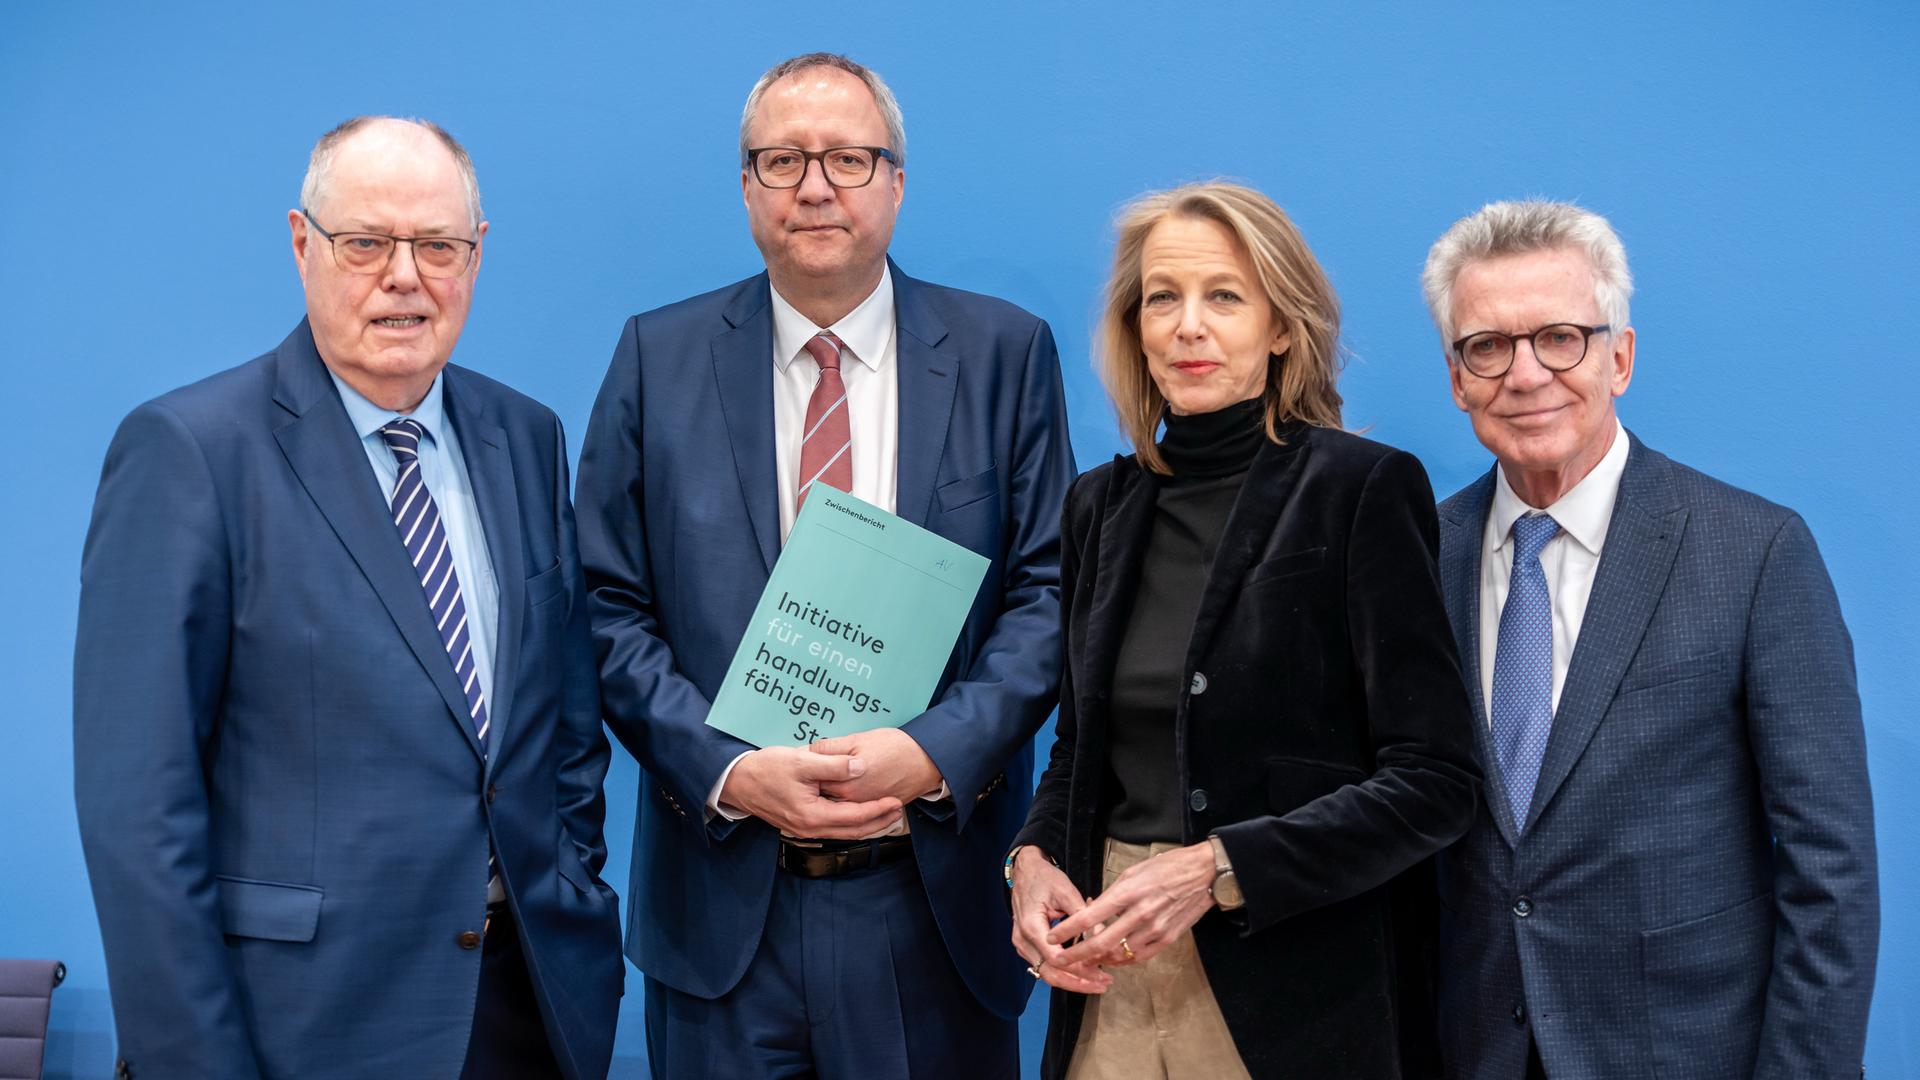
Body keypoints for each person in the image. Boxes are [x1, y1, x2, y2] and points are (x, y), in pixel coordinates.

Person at [73, 117, 623, 1080]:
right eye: (366, 242)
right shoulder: (191, 453)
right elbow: (139, 814)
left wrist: (573, 885)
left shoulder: (524, 437)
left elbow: (565, 724)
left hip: (524, 1012)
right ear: (302, 245)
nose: (404, 276)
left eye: (437, 246)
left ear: (477, 255)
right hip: (298, 1029)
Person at [574, 53, 1076, 1078]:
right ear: (747, 186)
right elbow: (605, 606)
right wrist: (728, 770)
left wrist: (935, 752)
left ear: (896, 180)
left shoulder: (1002, 354)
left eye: (848, 158)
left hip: (930, 901)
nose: (814, 186)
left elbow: (1051, 593)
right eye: (782, 160)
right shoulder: (655, 359)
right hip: (722, 907)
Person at [1007, 181, 1480, 1079]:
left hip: (1290, 989)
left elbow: (1435, 781)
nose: (1189, 326)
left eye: (1224, 296)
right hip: (1107, 976)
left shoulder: (1361, 491)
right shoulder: (1097, 508)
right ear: (1133, 328)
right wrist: (1029, 862)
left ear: (1281, 326)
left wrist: (1218, 867)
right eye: (1162, 297)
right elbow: (1079, 747)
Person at [1420, 199, 1879, 1079]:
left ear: (1620, 357)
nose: (1525, 374)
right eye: (1488, 346)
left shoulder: (1755, 554)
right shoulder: (1418, 558)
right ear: (1457, 378)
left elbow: (1833, 874)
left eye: (1561, 337)